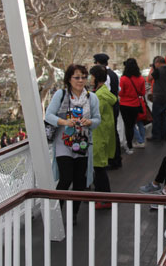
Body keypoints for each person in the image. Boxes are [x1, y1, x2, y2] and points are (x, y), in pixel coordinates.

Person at [45, 64, 101, 225]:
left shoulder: (92, 98)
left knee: (79, 181)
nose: (80, 80)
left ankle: (73, 215)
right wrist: (64, 122)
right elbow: (49, 115)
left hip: (83, 143)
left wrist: (89, 121)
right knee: (65, 178)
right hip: (63, 142)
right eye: (77, 77)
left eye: (83, 77)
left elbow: (97, 120)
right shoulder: (61, 95)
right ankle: (55, 214)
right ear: (69, 79)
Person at [89, 65, 117, 209]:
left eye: (91, 76)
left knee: (99, 168)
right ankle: (102, 198)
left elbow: (93, 115)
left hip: (98, 135)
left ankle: (104, 199)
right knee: (98, 168)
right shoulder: (105, 93)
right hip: (103, 134)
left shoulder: (99, 96)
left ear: (96, 78)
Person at [94, 53, 122, 169]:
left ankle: (112, 159)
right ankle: (115, 158)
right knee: (113, 132)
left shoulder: (105, 76)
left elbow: (106, 93)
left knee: (108, 134)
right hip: (114, 104)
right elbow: (118, 89)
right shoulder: (114, 74)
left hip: (108, 108)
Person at [119, 58, 146, 153]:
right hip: (135, 105)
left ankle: (129, 146)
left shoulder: (123, 79)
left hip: (124, 105)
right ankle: (136, 143)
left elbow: (120, 93)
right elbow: (142, 92)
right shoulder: (141, 78)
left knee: (128, 126)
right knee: (132, 124)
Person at [148, 56, 166, 142]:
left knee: (156, 117)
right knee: (163, 117)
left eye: (155, 63)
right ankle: (163, 135)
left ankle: (156, 136)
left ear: (158, 63)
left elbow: (149, 79)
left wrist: (152, 68)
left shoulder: (158, 70)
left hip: (159, 97)